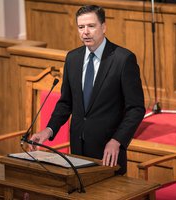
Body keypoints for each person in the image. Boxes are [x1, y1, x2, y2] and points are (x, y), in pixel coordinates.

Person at [29, 5, 145, 175]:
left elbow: (136, 108)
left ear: (104, 27)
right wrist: (48, 130)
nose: (86, 32)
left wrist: (117, 141)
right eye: (81, 27)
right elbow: (66, 103)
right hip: (77, 151)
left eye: (91, 26)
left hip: (108, 153)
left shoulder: (123, 59)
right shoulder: (73, 58)